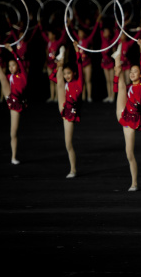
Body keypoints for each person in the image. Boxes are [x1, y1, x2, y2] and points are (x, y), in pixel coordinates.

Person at [112, 38, 141, 191]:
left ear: (140, 75)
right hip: (123, 113)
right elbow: (116, 90)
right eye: (131, 72)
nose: (132, 74)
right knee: (120, 87)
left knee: (129, 153)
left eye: (135, 72)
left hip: (133, 120)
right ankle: (117, 59)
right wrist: (117, 75)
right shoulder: (128, 87)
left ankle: (134, 183)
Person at [0, 43, 27, 164]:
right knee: (2, 77)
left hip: (16, 103)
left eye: (13, 65)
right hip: (9, 96)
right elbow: (0, 73)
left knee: (13, 132)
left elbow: (20, 62)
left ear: (17, 66)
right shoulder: (9, 76)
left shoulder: (22, 76)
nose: (11, 67)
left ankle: (13, 157)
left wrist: (13, 52)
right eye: (9, 65)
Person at [56, 41, 83, 178]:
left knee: (68, 143)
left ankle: (73, 169)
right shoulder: (65, 83)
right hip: (63, 106)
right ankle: (60, 58)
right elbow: (58, 79)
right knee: (59, 82)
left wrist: (77, 51)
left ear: (73, 73)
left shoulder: (77, 83)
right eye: (65, 73)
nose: (67, 76)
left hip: (70, 111)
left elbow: (80, 66)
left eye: (69, 73)